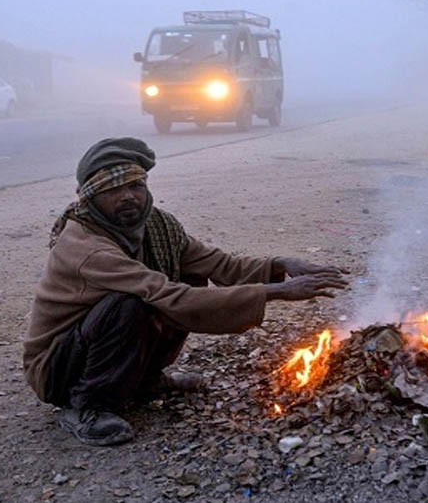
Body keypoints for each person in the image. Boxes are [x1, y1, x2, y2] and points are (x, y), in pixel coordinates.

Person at [22, 137, 346, 446]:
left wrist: (280, 264)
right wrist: (278, 291)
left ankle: (144, 379)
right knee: (129, 304)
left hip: (96, 346)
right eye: (113, 190)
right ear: (91, 198)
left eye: (135, 186)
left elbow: (218, 264)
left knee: (191, 276)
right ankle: (85, 405)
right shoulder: (86, 246)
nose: (128, 197)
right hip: (59, 368)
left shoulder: (157, 226)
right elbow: (172, 297)